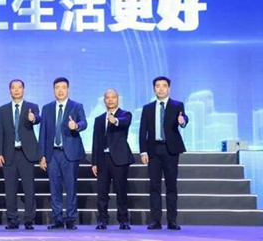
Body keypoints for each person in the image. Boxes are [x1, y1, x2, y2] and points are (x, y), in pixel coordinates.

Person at [139, 76, 188, 230]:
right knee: (154, 186)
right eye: (158, 86)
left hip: (170, 149)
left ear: (169, 88)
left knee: (171, 185)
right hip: (153, 150)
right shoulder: (147, 108)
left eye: (164, 86)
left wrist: (183, 121)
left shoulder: (177, 105)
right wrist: (143, 151)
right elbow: (143, 131)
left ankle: (172, 220)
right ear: (154, 89)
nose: (161, 89)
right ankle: (155, 220)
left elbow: (184, 118)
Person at [39, 77, 87, 230]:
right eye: (57, 87)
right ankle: (57, 218)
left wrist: (76, 126)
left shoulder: (76, 106)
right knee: (54, 188)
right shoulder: (47, 108)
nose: (60, 90)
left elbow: (84, 123)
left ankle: (71, 218)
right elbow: (43, 132)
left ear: (68, 89)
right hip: (52, 153)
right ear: (54, 90)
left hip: (70, 154)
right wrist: (42, 155)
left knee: (71, 187)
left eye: (63, 87)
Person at [0, 79, 41, 230]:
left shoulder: (31, 107)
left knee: (29, 189)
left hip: (26, 154)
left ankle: (29, 220)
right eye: (13, 88)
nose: (16, 90)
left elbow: (38, 118)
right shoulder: (3, 110)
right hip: (9, 154)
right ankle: (12, 220)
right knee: (10, 189)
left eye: (19, 87)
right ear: (9, 90)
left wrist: (33, 118)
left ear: (24, 90)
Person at [91, 89, 134, 230]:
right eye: (107, 97)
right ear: (104, 100)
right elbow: (96, 141)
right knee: (102, 192)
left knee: (121, 191)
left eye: (113, 97)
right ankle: (102, 220)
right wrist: (94, 162)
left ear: (118, 99)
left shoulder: (125, 115)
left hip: (119, 159)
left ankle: (123, 220)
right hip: (102, 159)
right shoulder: (99, 119)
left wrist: (114, 120)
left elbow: (124, 123)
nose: (110, 100)